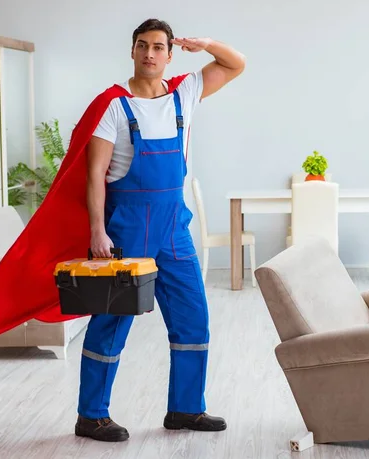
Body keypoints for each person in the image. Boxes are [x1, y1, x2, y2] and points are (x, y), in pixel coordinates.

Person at [74, 18, 246, 442]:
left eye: (157, 47)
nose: (149, 53)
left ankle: (186, 409)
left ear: (169, 54)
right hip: (127, 229)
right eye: (142, 45)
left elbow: (236, 63)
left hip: (174, 228)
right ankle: (91, 415)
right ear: (132, 52)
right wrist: (98, 232)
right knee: (111, 323)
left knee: (193, 319)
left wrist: (204, 43)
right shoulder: (114, 106)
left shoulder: (184, 92)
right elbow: (95, 174)